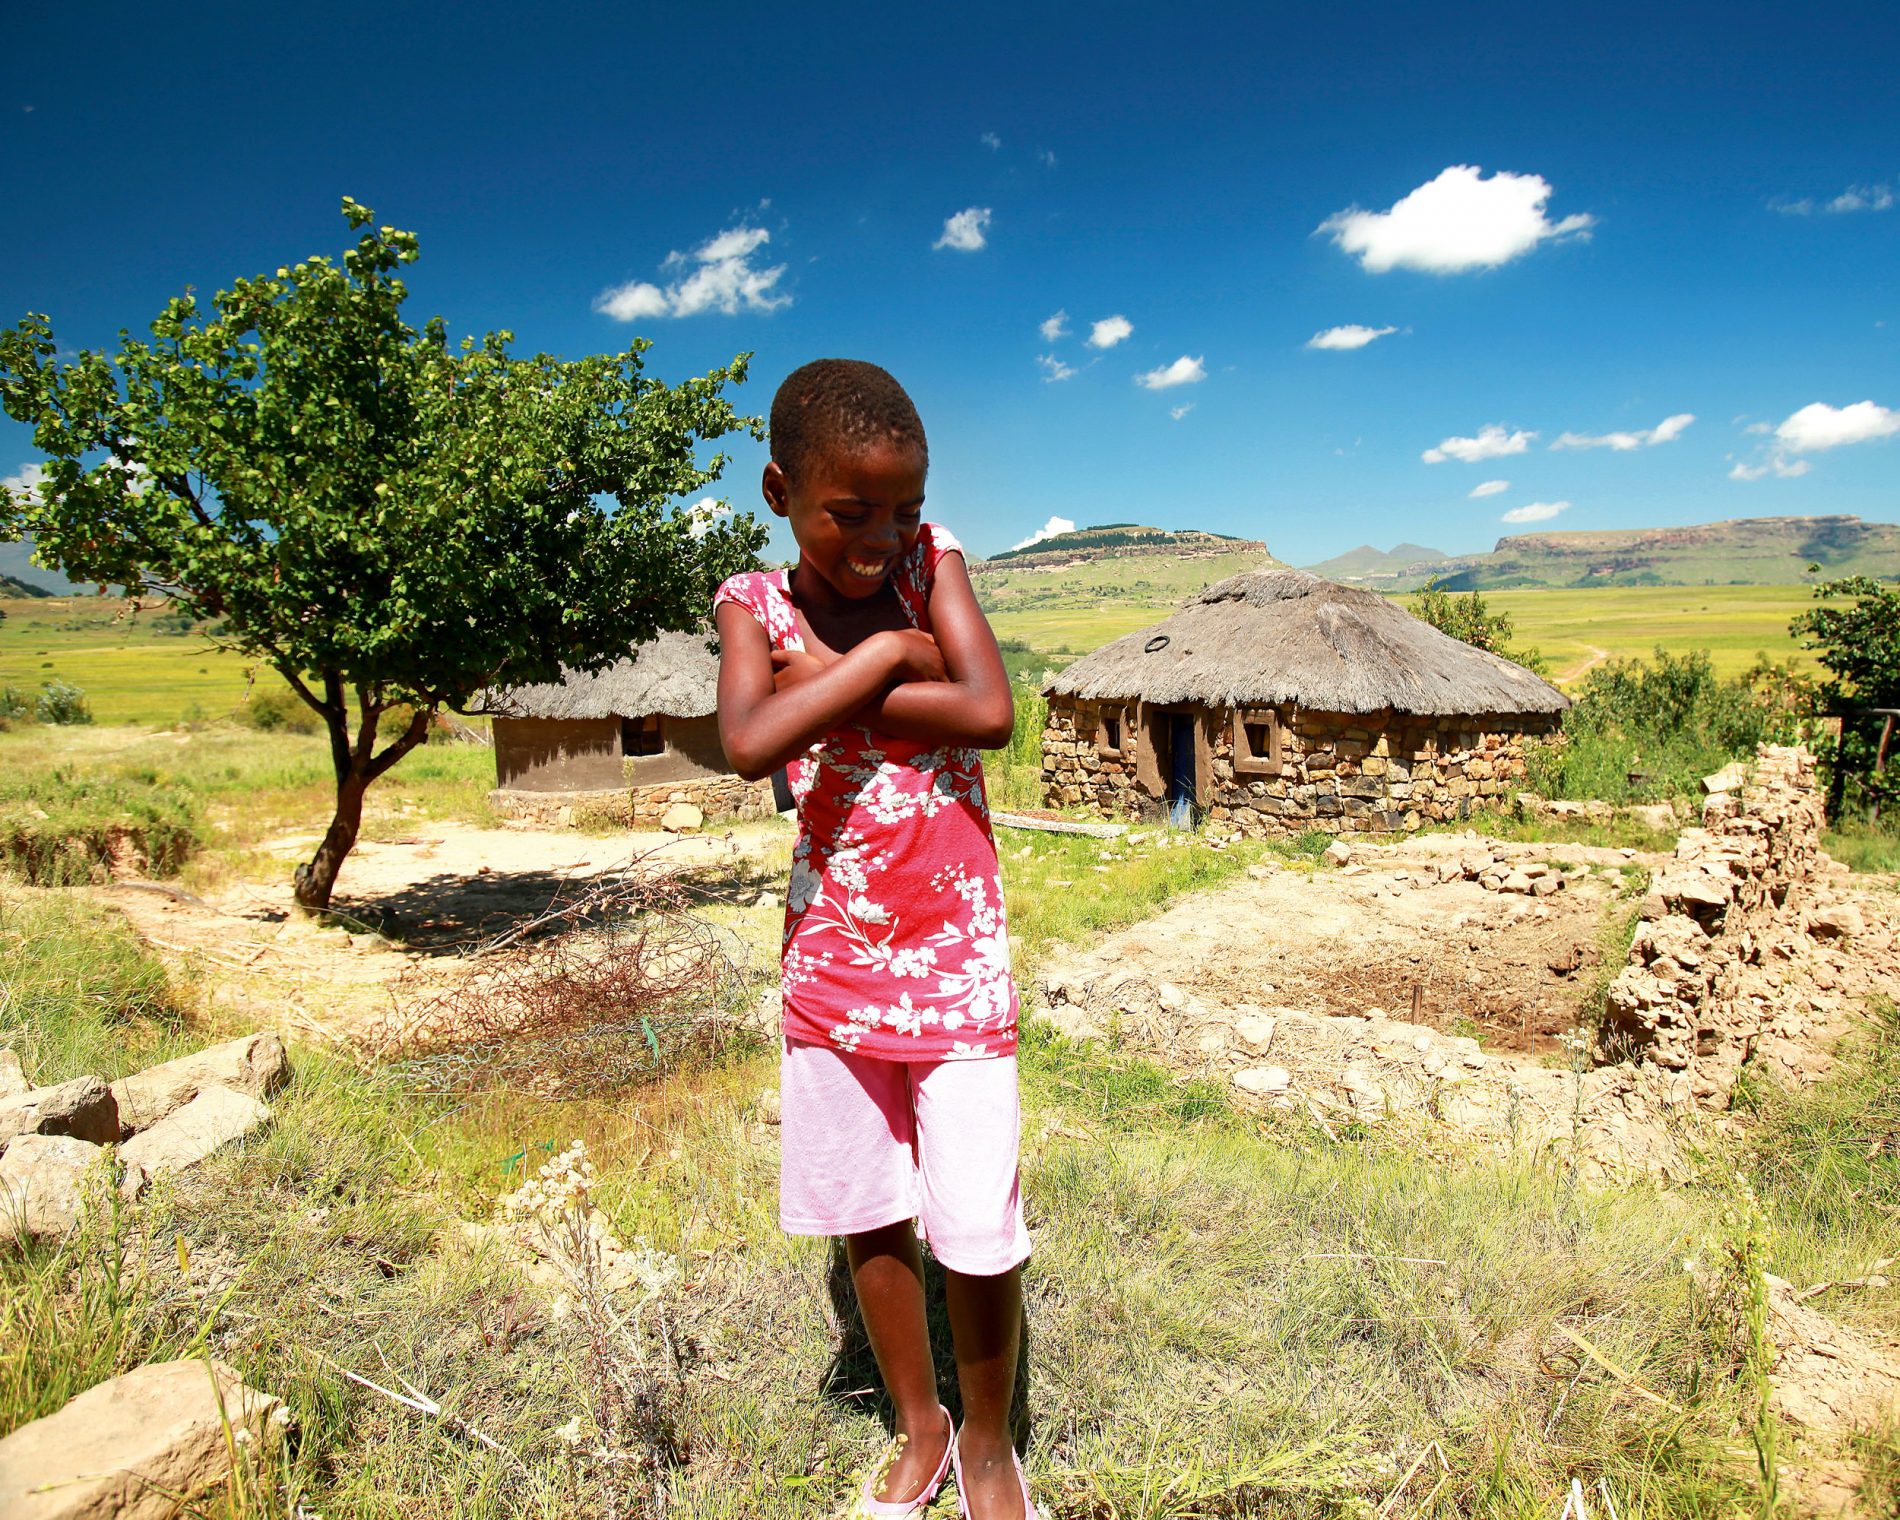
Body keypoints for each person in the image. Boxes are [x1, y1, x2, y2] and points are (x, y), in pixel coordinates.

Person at [712, 359, 1040, 1520]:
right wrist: (896, 658)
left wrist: (844, 677)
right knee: (866, 1203)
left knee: (976, 1215)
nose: (880, 533)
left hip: (955, 952)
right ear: (778, 489)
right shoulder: (748, 605)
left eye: (901, 505)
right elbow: (750, 737)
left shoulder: (927, 559)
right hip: (834, 959)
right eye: (851, 511)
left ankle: (992, 1447)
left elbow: (990, 712)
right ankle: (924, 1422)